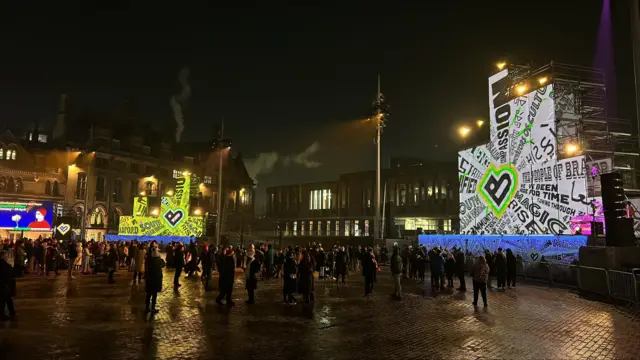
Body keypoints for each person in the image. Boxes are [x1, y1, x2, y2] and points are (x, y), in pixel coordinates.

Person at [145, 247, 165, 314]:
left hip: (149, 280)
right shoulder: (159, 261)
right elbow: (164, 265)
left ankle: (147, 308)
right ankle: (153, 308)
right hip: (156, 280)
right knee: (154, 295)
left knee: (148, 295)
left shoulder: (149, 260)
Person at [0, 251, 16, 320]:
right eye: (6, 256)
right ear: (4, 256)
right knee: (4, 299)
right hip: (3, 284)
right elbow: (8, 274)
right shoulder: (4, 264)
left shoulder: (4, 264)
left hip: (3, 284)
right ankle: (3, 314)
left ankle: (11, 312)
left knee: (7, 299)